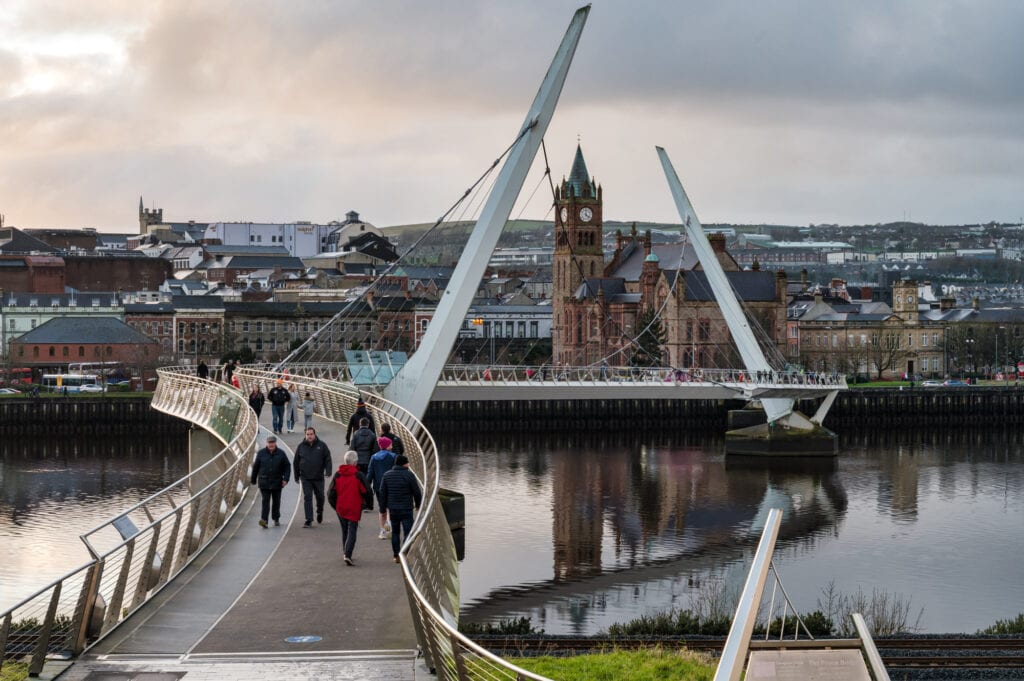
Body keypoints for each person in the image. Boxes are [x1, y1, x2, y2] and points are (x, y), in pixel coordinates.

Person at [379, 454, 422, 564]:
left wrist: (383, 509)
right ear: (405, 464)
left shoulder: (387, 475)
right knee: (408, 531)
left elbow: (382, 493)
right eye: (407, 463)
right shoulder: (409, 475)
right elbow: (417, 492)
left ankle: (396, 556)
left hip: (393, 509)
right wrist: (418, 505)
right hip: (406, 508)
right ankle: (405, 552)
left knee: (395, 532)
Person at [330, 450, 370, 566]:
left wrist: (335, 506)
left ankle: (345, 551)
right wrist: (368, 504)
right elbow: (366, 491)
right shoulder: (358, 475)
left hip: (341, 507)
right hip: (354, 506)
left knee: (344, 529)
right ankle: (348, 554)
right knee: (352, 529)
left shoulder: (338, 474)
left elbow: (331, 493)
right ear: (355, 462)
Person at [293, 426, 332, 528]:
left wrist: (328, 471)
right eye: (308, 434)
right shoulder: (301, 446)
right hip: (305, 477)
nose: (309, 436)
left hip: (318, 477)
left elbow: (328, 458)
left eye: (311, 434)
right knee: (307, 497)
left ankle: (320, 511)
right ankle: (308, 520)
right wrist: (296, 476)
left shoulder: (322, 445)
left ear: (314, 434)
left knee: (320, 497)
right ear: (305, 435)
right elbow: (296, 462)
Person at [250, 435, 290, 528]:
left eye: (272, 443)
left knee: (276, 502)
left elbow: (287, 466)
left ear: (275, 443)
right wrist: (253, 479)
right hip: (264, 482)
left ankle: (276, 518)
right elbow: (256, 467)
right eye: (269, 443)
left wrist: (286, 479)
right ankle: (264, 520)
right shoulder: (261, 453)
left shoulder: (281, 453)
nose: (271, 444)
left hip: (277, 482)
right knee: (265, 502)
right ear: (266, 443)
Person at [366, 437, 396, 540]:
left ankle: (382, 531)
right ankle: (391, 529)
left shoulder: (374, 457)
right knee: (391, 508)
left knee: (382, 509)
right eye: (390, 444)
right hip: (392, 486)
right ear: (387, 446)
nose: (392, 446)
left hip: (379, 487)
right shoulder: (393, 457)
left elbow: (370, 473)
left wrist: (366, 485)